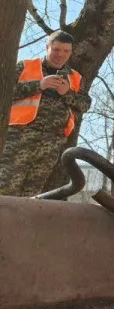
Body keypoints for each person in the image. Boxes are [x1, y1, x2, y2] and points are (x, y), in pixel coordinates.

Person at [1, 30, 91, 196]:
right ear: (47, 47)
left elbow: (85, 104)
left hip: (51, 142)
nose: (60, 55)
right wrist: (39, 85)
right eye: (56, 50)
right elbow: (4, 93)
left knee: (33, 194)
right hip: (19, 137)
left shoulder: (75, 77)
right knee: (6, 188)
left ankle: (22, 222)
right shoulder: (25, 66)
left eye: (66, 51)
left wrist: (67, 93)